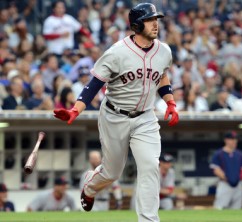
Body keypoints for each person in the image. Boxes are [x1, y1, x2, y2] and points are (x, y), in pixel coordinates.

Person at [53, 4, 179, 222]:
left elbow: (162, 74)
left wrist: (170, 102)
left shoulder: (164, 51)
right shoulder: (116, 52)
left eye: (156, 19)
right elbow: (94, 84)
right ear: (137, 25)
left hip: (145, 117)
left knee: (150, 166)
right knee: (112, 172)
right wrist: (76, 109)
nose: (156, 23)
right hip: (114, 116)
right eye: (150, 20)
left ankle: (149, 219)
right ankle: (91, 187)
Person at [210, 131, 242, 210]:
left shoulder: (240, 154)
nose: (234, 141)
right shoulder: (219, 153)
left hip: (238, 185)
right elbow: (216, 169)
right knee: (220, 208)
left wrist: (238, 179)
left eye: (235, 139)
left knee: (237, 208)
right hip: (225, 184)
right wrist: (227, 179)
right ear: (226, 140)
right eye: (232, 139)